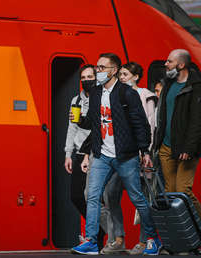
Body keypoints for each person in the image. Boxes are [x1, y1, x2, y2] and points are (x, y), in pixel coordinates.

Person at [71, 53, 162, 255]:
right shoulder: (95, 93)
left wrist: (144, 150)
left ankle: (152, 238)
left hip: (125, 156)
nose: (98, 71)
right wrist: (79, 121)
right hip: (102, 155)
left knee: (137, 198)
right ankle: (91, 241)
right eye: (97, 67)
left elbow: (141, 124)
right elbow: (94, 123)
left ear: (113, 70)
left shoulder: (126, 93)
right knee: (93, 196)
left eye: (102, 68)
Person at [98, 62, 158, 255]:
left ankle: (146, 240)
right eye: (121, 74)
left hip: (137, 155)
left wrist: (145, 152)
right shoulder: (115, 94)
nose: (122, 77)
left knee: (139, 198)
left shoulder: (145, 96)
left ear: (136, 77)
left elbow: (148, 125)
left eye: (125, 74)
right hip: (119, 154)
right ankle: (118, 237)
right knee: (111, 194)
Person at [154, 49, 201, 232]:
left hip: (185, 149)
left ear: (181, 65)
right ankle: (179, 236)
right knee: (170, 194)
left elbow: (198, 121)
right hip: (166, 147)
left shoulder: (197, 87)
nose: (166, 64)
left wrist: (189, 147)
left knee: (183, 192)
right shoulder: (168, 85)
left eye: (169, 61)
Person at [64, 64, 106, 250]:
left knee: (93, 196)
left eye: (90, 77)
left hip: (96, 153)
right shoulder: (76, 100)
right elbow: (72, 127)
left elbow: (97, 128)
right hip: (80, 152)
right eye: (83, 77)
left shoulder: (101, 99)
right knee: (76, 196)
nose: (86, 80)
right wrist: (68, 153)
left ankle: (98, 235)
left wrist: (88, 154)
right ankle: (100, 230)